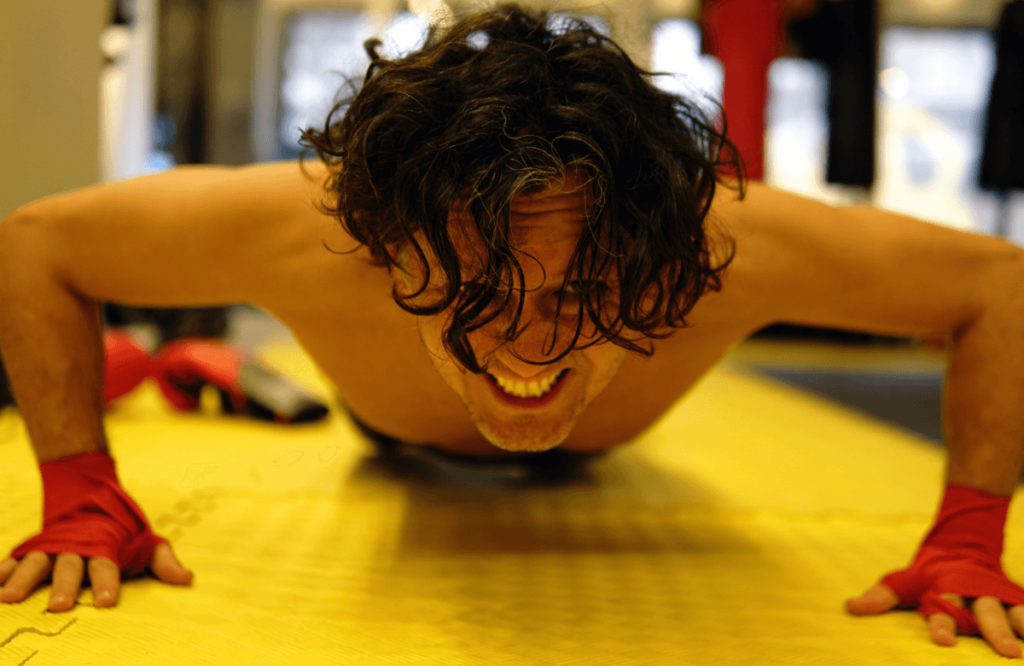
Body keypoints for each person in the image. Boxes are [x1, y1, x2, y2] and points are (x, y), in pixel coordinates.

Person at [2, 4, 1024, 657]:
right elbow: (38, 246)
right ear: (385, 242)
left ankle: (190, 365)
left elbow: (997, 285)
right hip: (394, 436)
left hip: (603, 448)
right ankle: (181, 368)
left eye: (582, 293)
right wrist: (82, 491)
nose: (531, 346)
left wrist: (970, 537)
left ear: (666, 253)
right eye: (475, 292)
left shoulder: (726, 238)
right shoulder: (311, 223)